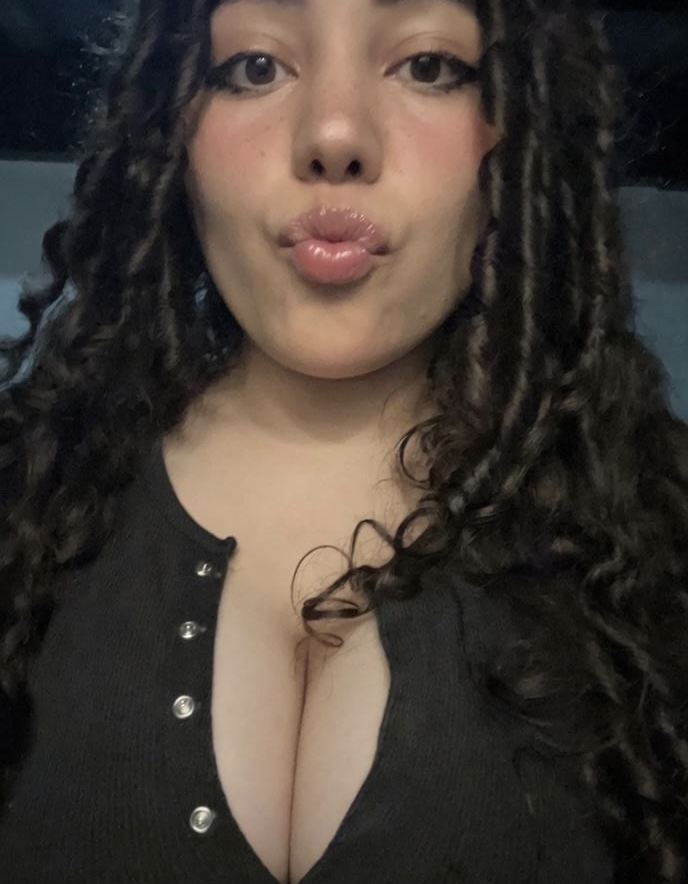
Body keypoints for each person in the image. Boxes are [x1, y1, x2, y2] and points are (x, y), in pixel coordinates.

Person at [1, 0, 687, 881]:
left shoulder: (662, 538)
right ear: (173, 126)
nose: (333, 134)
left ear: (525, 123)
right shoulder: (21, 497)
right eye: (254, 67)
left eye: (429, 66)